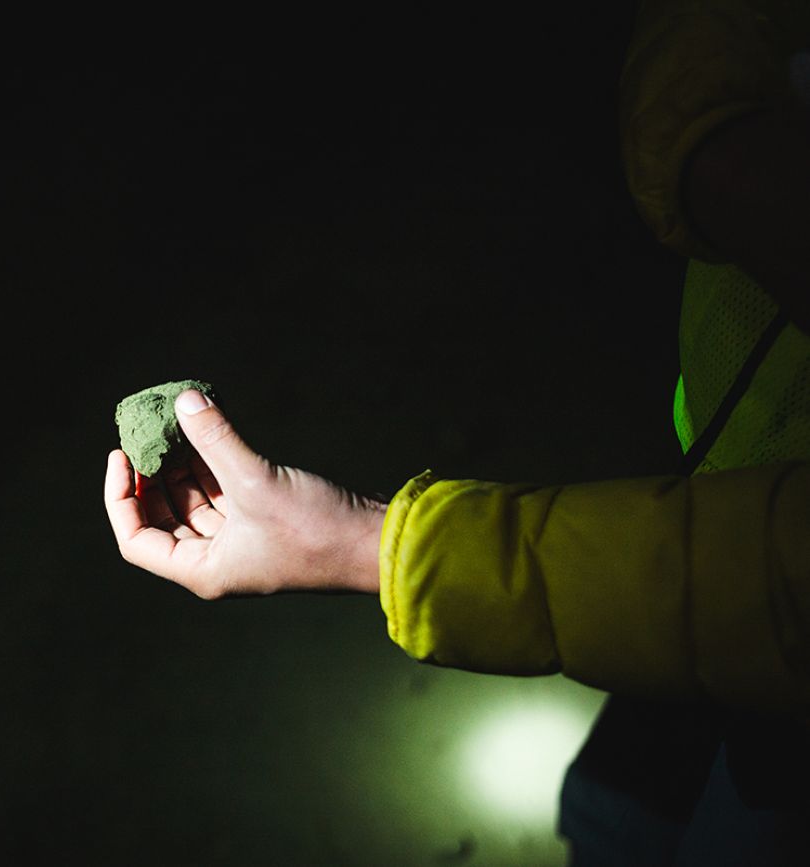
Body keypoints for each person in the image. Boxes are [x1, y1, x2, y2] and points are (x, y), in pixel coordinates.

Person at [104, 0, 808, 862]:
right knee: (614, 809)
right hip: (704, 507)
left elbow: (776, 582)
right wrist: (701, 132)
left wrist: (370, 545)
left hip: (780, 696)